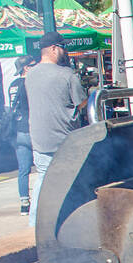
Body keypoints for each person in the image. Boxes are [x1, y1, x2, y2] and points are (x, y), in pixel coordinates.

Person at [25, 31, 86, 227]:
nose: (64, 51)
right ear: (53, 49)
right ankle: (72, 223)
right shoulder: (67, 75)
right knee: (73, 182)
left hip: (40, 139)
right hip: (65, 140)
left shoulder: (30, 75)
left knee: (43, 180)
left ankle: (34, 225)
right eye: (62, 47)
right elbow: (82, 102)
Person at [4, 55, 35, 215]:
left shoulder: (13, 85)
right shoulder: (30, 84)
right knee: (46, 166)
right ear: (26, 68)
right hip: (31, 129)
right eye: (32, 64)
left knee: (23, 169)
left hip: (16, 132)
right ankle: (40, 201)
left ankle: (24, 203)